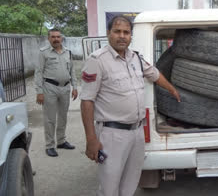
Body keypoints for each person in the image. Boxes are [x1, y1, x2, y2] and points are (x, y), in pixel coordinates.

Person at [80, 15, 180, 196]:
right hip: (112, 134)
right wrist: (91, 139)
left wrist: (173, 90)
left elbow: (155, 74)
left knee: (130, 183)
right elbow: (87, 100)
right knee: (109, 187)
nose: (122, 36)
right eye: (117, 31)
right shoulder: (97, 60)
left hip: (137, 132)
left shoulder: (136, 59)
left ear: (131, 36)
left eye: (126, 32)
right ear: (108, 33)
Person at [34, 28, 78, 157]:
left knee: (63, 117)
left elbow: (72, 71)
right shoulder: (43, 53)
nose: (56, 39)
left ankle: (61, 141)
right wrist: (39, 91)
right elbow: (38, 72)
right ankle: (49, 145)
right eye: (53, 37)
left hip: (65, 88)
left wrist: (75, 87)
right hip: (49, 88)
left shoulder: (67, 53)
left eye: (58, 37)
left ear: (62, 38)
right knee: (50, 118)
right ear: (49, 39)